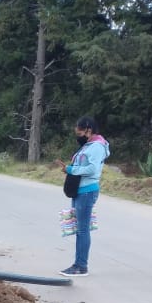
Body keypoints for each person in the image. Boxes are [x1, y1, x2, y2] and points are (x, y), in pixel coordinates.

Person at [55, 115, 110, 277]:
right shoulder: (88, 146)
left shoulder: (97, 147)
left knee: (83, 230)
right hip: (80, 190)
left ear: (88, 130)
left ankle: (81, 266)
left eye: (79, 134)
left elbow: (92, 169)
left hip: (87, 191)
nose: (78, 137)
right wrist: (69, 168)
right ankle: (78, 264)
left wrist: (72, 170)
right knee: (79, 229)